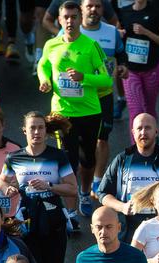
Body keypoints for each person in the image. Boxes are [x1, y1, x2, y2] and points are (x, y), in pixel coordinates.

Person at [37, 0, 112, 214]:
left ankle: (85, 193)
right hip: (62, 112)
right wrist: (45, 80)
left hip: (89, 111)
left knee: (87, 160)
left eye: (73, 17)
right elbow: (43, 64)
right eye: (66, 17)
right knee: (67, 161)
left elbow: (107, 79)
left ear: (80, 19)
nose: (70, 21)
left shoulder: (91, 46)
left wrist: (84, 77)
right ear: (59, 20)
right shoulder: (51, 45)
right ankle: (70, 212)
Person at [0, 111, 77, 263]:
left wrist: (49, 186)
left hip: (53, 219)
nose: (36, 132)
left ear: (46, 131)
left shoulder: (57, 156)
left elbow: (73, 189)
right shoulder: (13, 157)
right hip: (27, 219)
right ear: (24, 131)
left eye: (41, 128)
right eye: (32, 128)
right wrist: (7, 189)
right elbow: (2, 180)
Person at [99, 113, 159, 242]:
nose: (143, 132)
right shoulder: (122, 160)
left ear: (156, 131)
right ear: (133, 132)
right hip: (130, 229)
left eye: (148, 128)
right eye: (139, 128)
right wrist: (122, 207)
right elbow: (103, 193)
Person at [78, 0, 127, 205]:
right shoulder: (71, 32)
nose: (94, 10)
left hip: (104, 94)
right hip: (79, 97)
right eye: (89, 6)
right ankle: (82, 184)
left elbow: (120, 53)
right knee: (83, 145)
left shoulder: (111, 32)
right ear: (82, 8)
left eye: (98, 6)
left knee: (102, 138)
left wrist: (123, 65)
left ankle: (97, 182)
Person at [119, 0, 159, 132]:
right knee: (136, 110)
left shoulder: (156, 12)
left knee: (149, 110)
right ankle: (137, 143)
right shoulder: (124, 12)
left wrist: (146, 32)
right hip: (130, 71)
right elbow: (117, 37)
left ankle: (151, 139)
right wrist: (119, 34)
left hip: (152, 69)